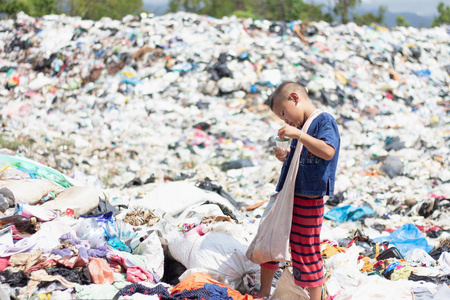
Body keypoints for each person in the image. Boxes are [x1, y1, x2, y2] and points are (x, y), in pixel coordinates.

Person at [255, 81, 340, 300]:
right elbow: (303, 159)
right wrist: (286, 157)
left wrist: (298, 135)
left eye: (284, 113)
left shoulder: (323, 121)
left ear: (294, 97)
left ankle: (315, 297)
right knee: (271, 239)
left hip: (308, 201)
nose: (285, 120)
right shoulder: (300, 129)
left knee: (305, 248)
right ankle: (264, 292)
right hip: (288, 195)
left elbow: (328, 151)